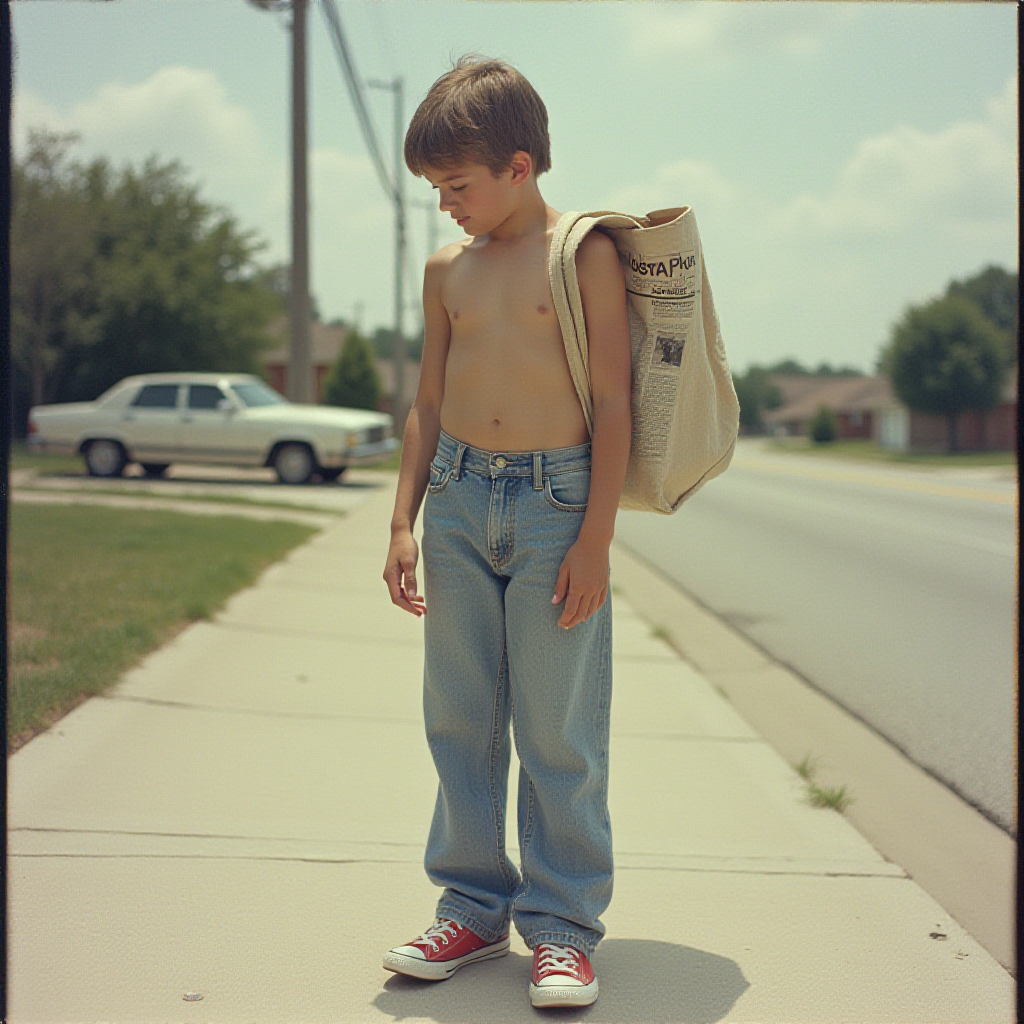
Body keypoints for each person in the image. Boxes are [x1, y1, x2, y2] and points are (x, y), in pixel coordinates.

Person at [381, 54, 632, 1010]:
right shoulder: (450, 268)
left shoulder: (583, 254)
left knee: (558, 726)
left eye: (457, 186)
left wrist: (596, 539)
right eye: (437, 188)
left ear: (520, 166)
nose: (445, 204)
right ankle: (473, 906)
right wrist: (402, 521)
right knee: (461, 713)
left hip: (555, 505)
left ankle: (563, 928)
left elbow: (611, 401)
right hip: (454, 500)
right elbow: (426, 401)